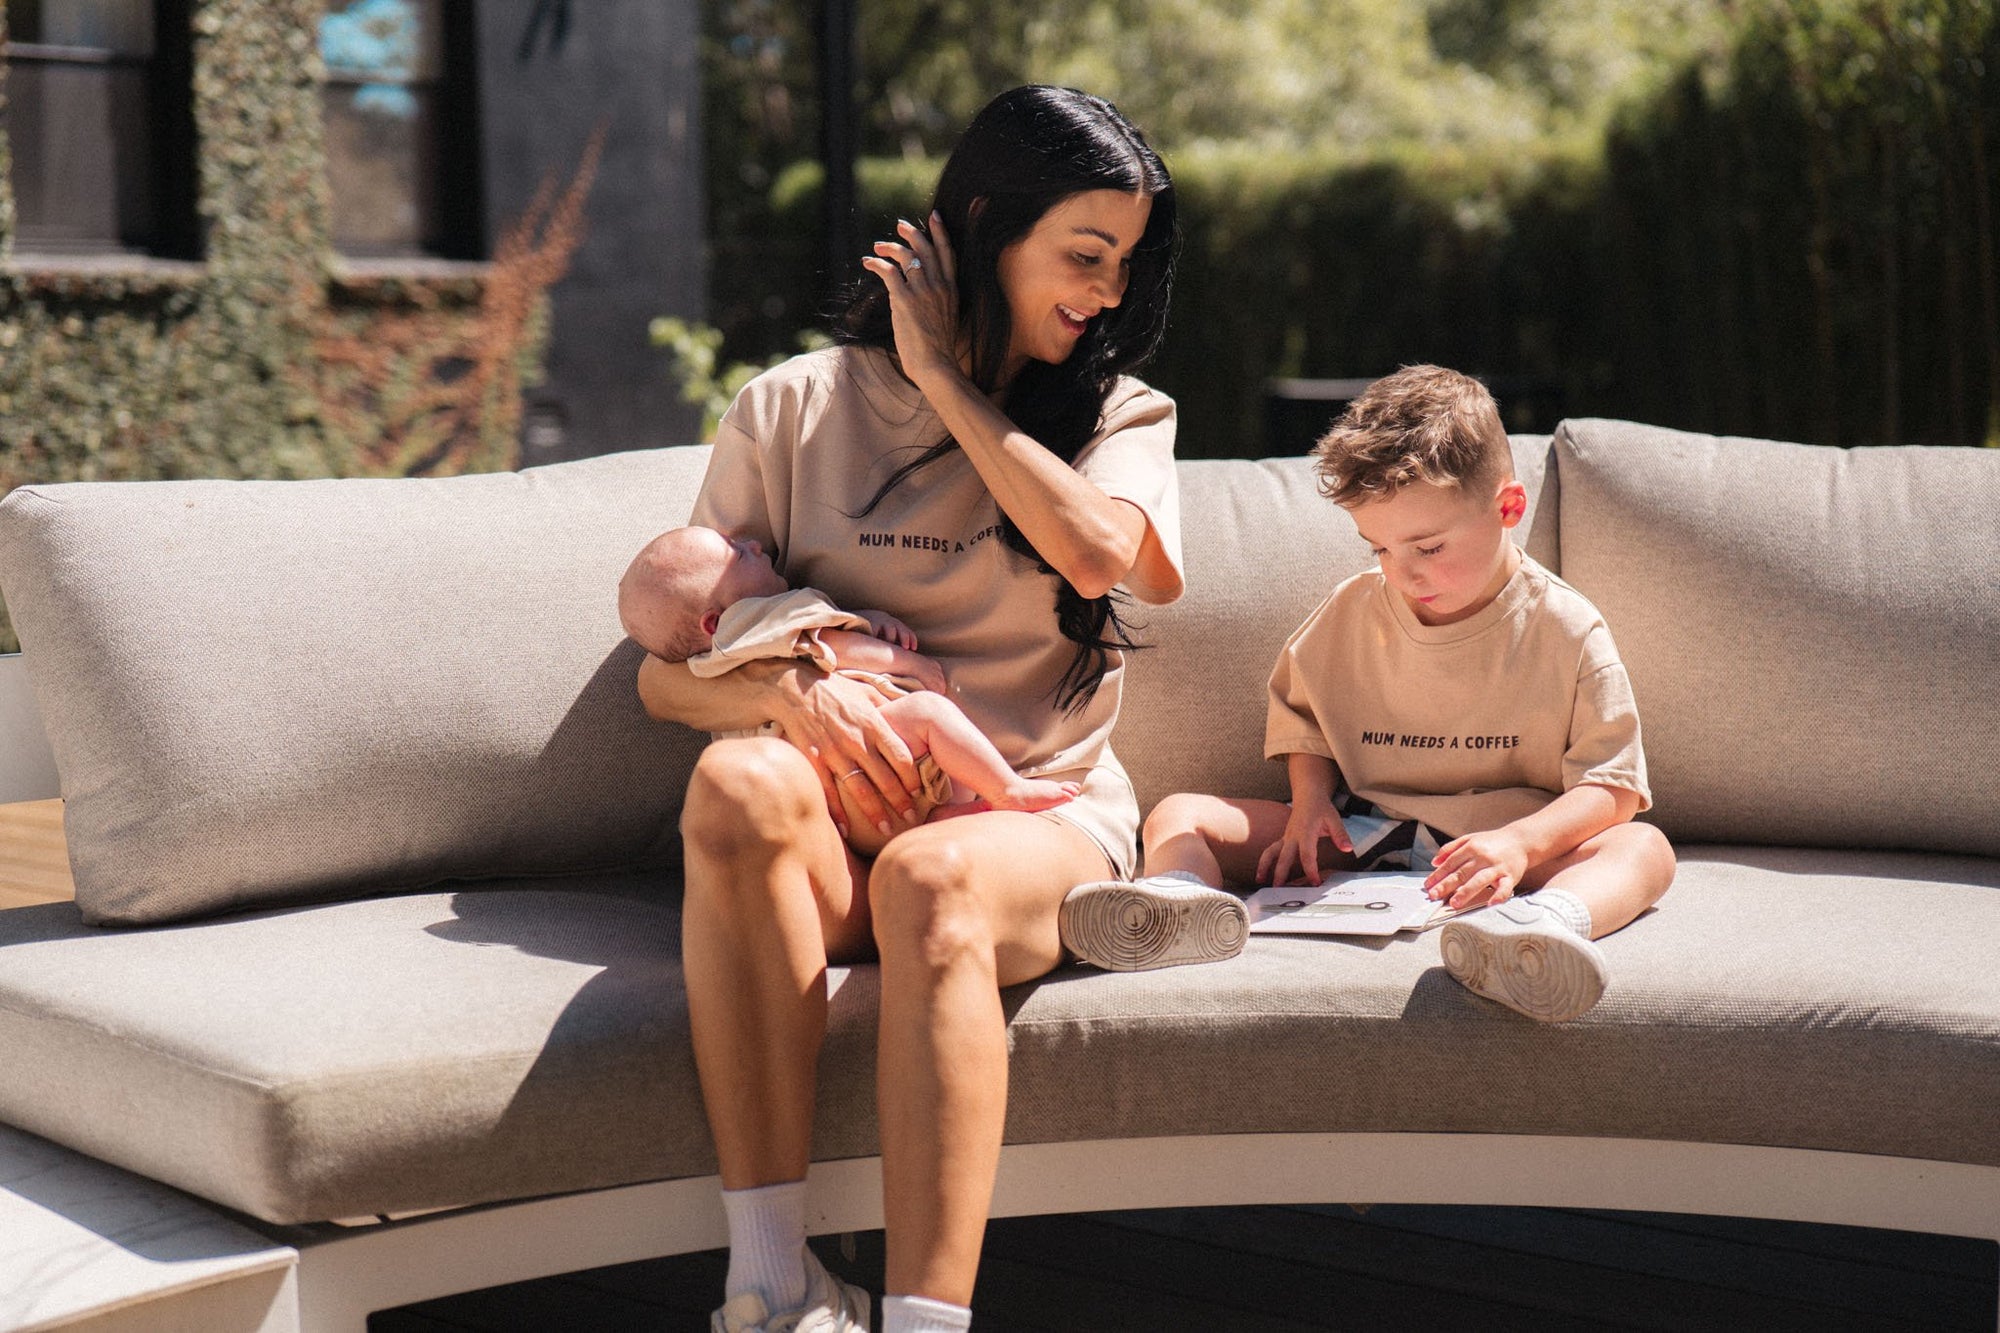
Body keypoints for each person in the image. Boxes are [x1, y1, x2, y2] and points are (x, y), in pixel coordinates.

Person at [633, 86, 1209, 1333]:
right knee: (733, 779)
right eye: (1085, 254)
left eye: (1124, 263)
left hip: (1029, 824)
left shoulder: (1120, 415)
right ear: (988, 225)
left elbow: (1098, 555)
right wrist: (796, 695)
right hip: (837, 842)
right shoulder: (792, 409)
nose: (1108, 292)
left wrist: (943, 377)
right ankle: (770, 1285)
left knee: (931, 877)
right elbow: (664, 673)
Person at [1115, 365, 1676, 1022]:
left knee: (1644, 849)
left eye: (1428, 547)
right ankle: (1175, 916)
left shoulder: (1567, 627)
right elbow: (1305, 719)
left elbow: (1611, 788)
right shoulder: (1352, 611)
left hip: (1499, 848)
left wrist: (1520, 845)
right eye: (1378, 548)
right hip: (1363, 834)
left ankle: (1535, 931)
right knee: (1179, 812)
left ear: (1508, 508)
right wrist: (1309, 802)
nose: (1403, 574)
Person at [618, 524, 1082, 858]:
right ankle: (1006, 790)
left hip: (835, 812)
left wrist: (864, 620)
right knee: (930, 713)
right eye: (738, 555)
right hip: (865, 756)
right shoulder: (754, 620)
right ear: (714, 622)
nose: (753, 544)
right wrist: (906, 661)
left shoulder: (709, 663)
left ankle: (941, 818)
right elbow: (835, 646)